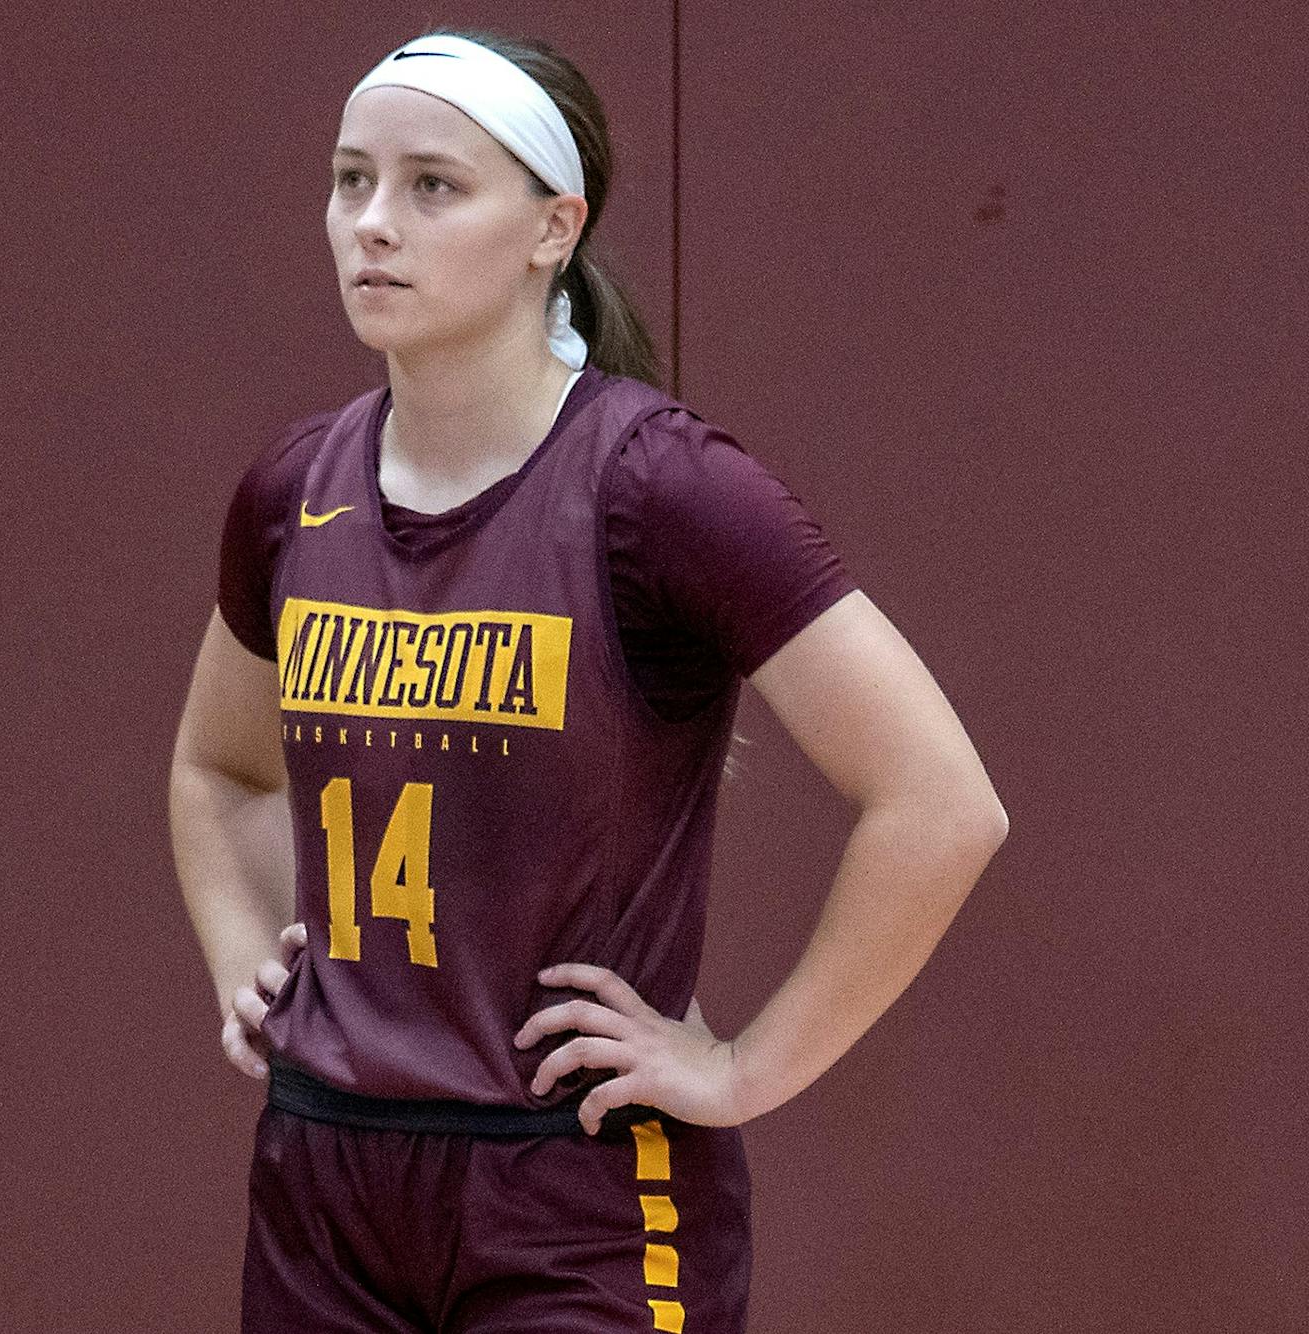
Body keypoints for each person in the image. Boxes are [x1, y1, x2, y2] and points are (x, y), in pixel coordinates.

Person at [169, 30, 1007, 1333]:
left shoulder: (661, 488)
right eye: (349, 181)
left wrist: (739, 1068)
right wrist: (247, 953)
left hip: (578, 1190)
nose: (371, 224)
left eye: (431, 186)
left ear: (553, 227)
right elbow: (218, 767)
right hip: (327, 1177)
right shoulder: (293, 490)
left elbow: (941, 801)